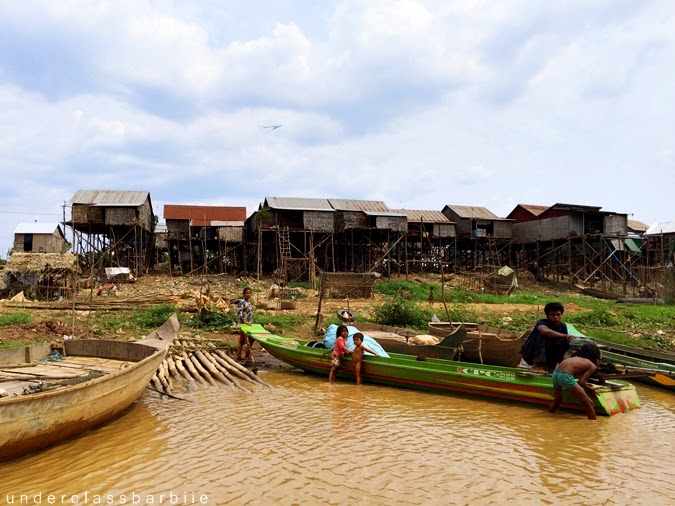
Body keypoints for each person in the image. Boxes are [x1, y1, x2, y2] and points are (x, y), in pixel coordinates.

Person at [548, 342, 602, 420]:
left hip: (555, 373)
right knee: (589, 403)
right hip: (565, 376)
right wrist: (590, 389)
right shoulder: (592, 365)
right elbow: (581, 382)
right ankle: (593, 425)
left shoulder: (573, 358)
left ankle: (549, 416)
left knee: (558, 400)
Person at [521, 302, 574, 372]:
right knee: (542, 335)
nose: (556, 317)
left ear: (561, 315)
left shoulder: (563, 326)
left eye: (558, 314)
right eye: (552, 315)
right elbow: (545, 331)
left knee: (564, 341)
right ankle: (537, 365)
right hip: (531, 354)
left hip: (549, 357)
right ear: (547, 316)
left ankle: (551, 366)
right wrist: (564, 335)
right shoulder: (542, 322)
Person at [235, 287, 254, 361]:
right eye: (247, 293)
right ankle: (239, 356)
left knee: (251, 338)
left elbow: (249, 314)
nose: (249, 294)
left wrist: (250, 321)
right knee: (242, 340)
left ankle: (247, 353)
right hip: (244, 324)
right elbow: (239, 314)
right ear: (244, 294)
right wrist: (245, 322)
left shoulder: (248, 302)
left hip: (249, 324)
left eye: (250, 293)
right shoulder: (242, 302)